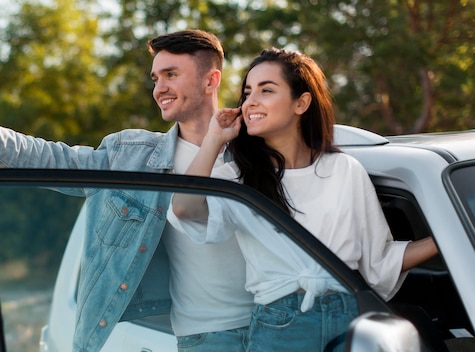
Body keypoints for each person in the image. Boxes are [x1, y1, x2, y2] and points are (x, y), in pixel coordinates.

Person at [0, 30, 254, 352]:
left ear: (211, 80)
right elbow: (56, 158)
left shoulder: (259, 152)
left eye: (171, 75)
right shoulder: (132, 156)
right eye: (155, 78)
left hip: (272, 323)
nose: (159, 89)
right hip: (201, 334)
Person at [168, 48, 439, 351]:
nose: (250, 102)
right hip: (281, 325)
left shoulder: (343, 169)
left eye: (266, 90)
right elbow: (184, 208)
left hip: (349, 318)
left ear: (302, 102)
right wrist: (214, 139)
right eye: (247, 93)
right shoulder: (237, 179)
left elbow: (380, 261)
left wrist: (446, 238)